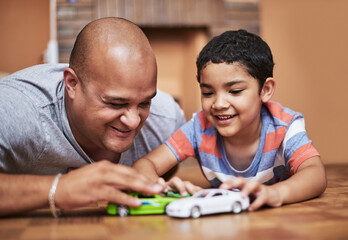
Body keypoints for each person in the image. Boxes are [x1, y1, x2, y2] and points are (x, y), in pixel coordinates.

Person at [0, 17, 185, 216]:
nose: (133, 121)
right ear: (72, 84)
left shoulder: (167, 122)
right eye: (116, 103)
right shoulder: (15, 111)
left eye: (145, 103)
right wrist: (59, 189)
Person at [133, 29, 327, 211]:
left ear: (265, 90)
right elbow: (145, 165)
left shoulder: (284, 126)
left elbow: (315, 174)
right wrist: (158, 186)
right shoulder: (199, 128)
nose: (218, 104)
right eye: (208, 93)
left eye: (234, 91)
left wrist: (275, 193)